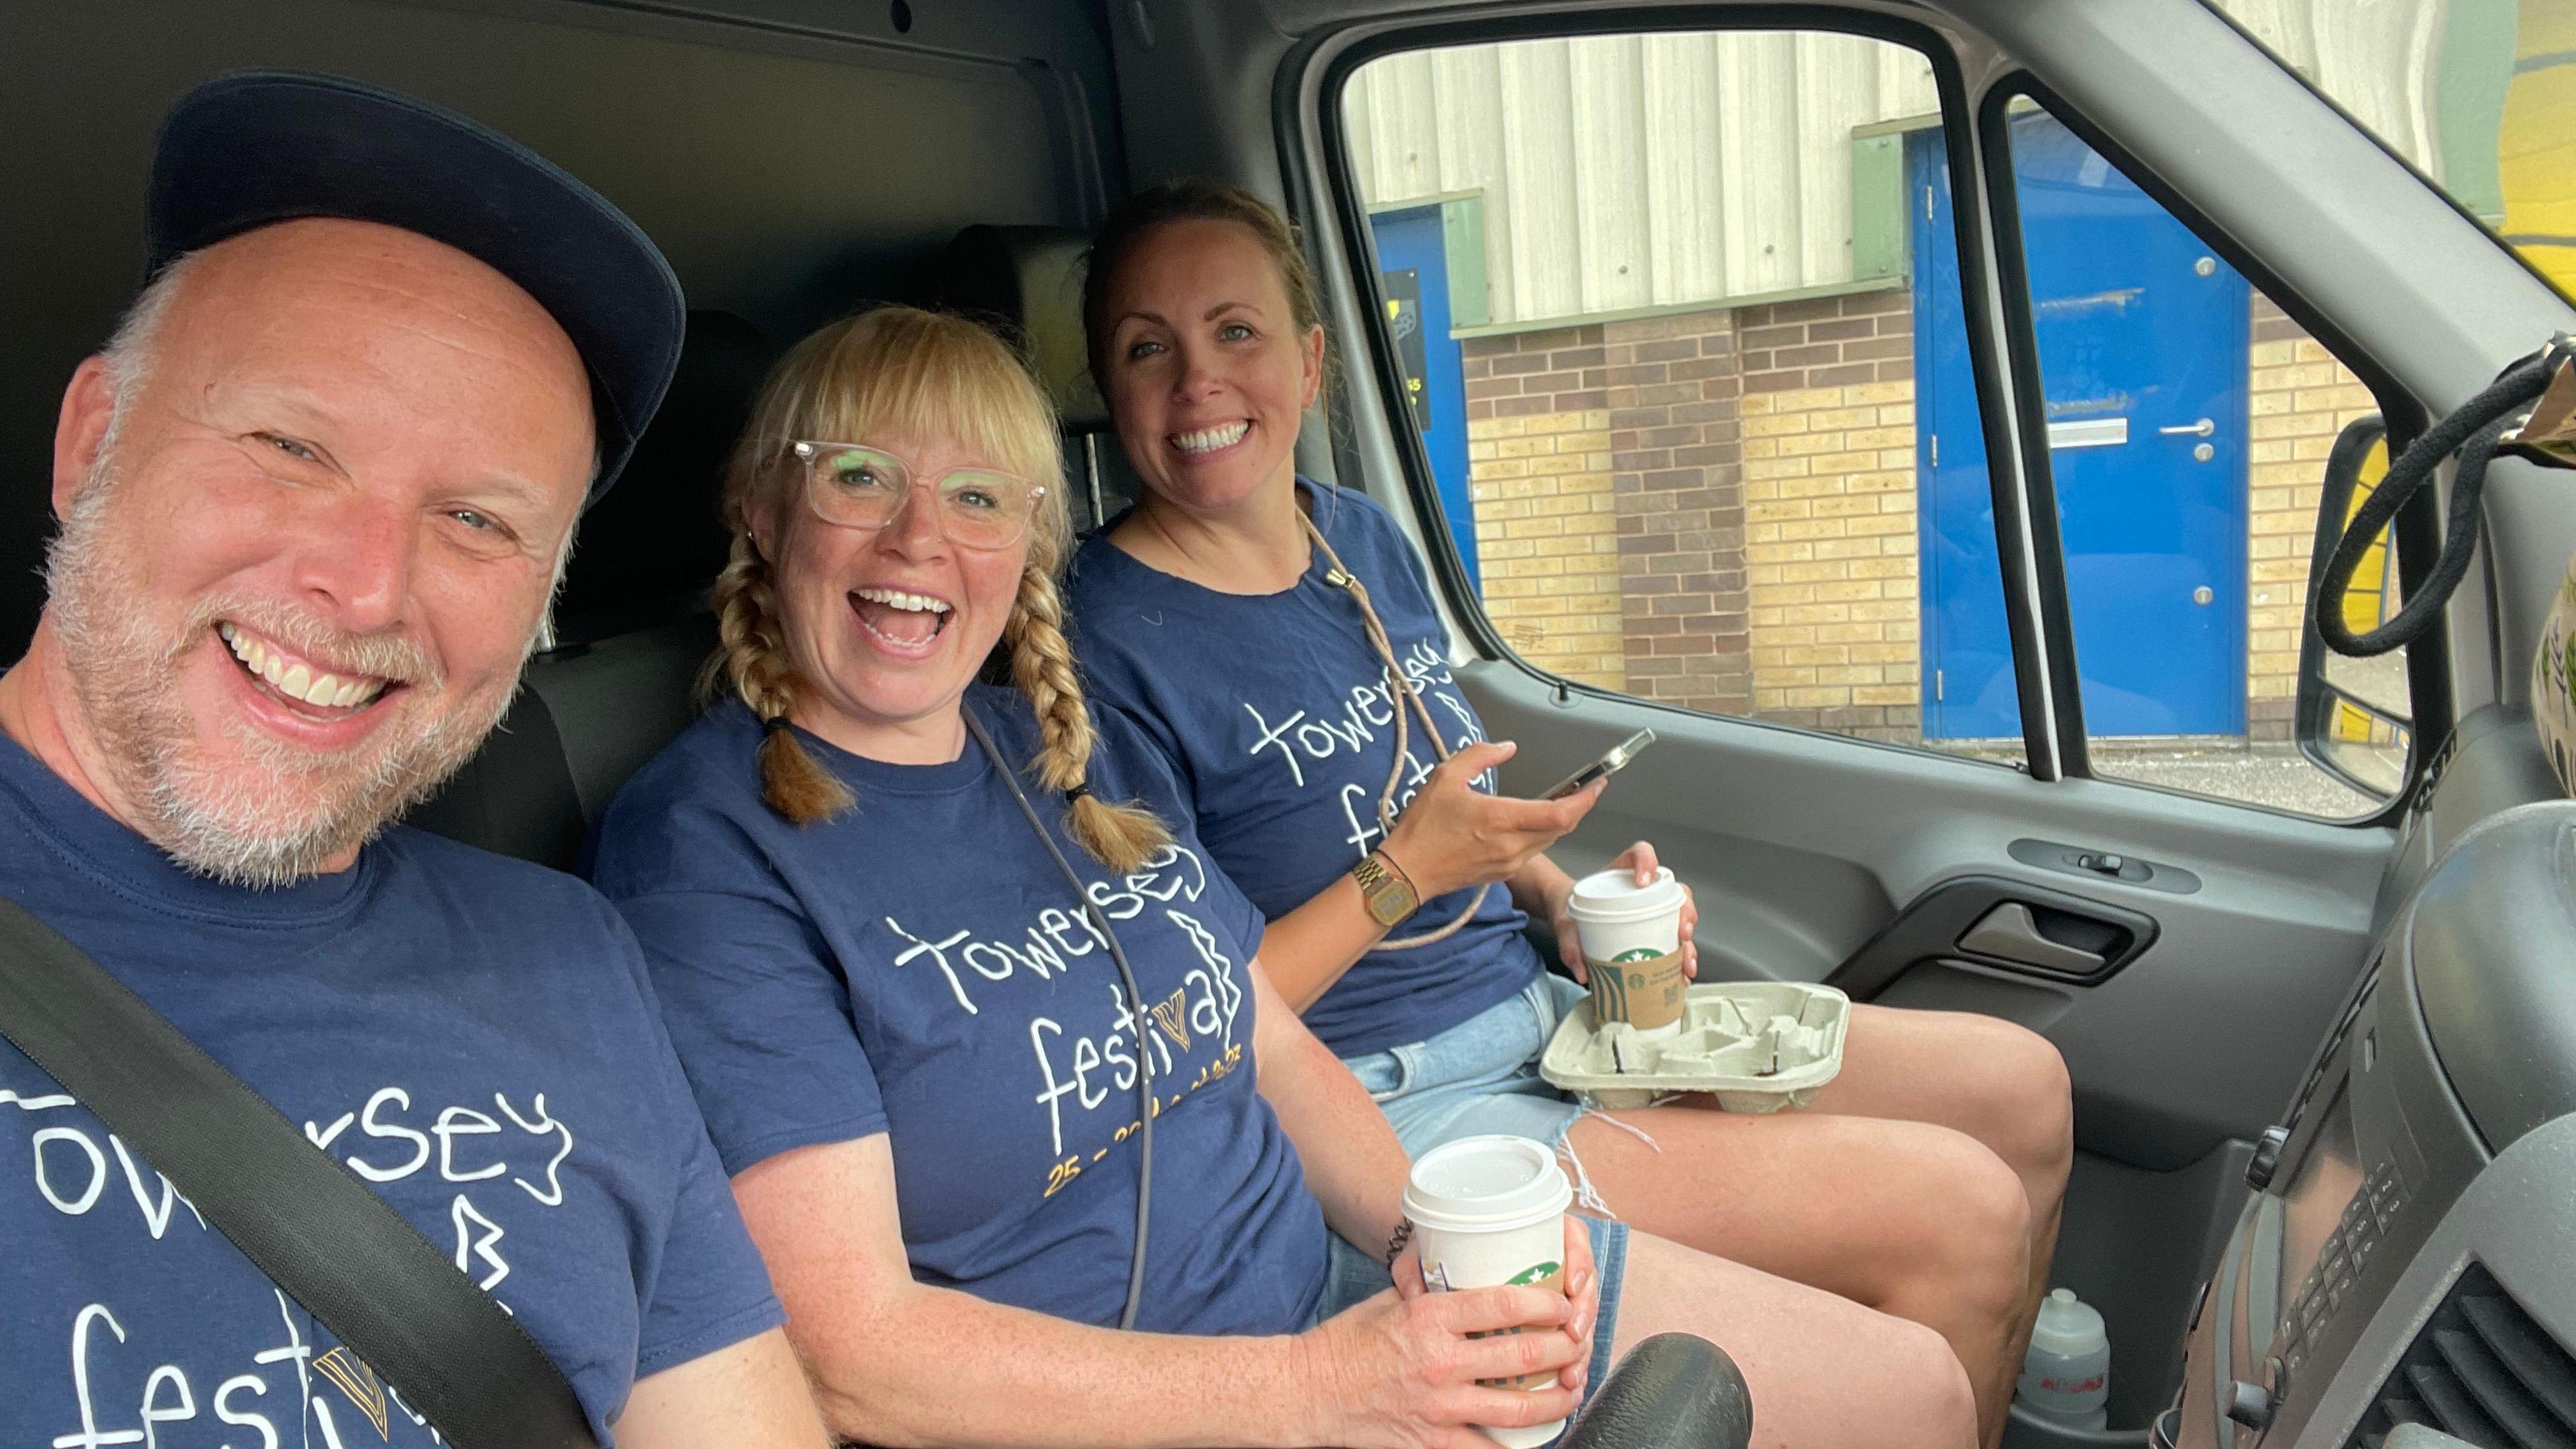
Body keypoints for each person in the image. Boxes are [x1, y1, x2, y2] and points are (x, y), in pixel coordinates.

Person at [587, 305, 1978, 1449]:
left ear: (1023, 546)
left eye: (975, 496)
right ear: (761, 509)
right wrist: (1319, 1394)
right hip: (1158, 1406)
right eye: (859, 479)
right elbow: (854, 1358)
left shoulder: (1067, 754)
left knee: (1913, 1391)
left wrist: (1421, 1241)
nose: (916, 542)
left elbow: (1263, 1039)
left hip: (1338, 1298)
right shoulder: (709, 851)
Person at [1064, 178, 2076, 1446]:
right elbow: (1200, 1016)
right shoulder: (1100, 643)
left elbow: (1454, 804)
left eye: (1237, 332)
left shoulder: (1358, 544)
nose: (1198, 380)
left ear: (1314, 362)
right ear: (1111, 389)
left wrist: (1562, 898)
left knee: (2023, 1088)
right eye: (1147, 348)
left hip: (1547, 1019)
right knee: (1960, 1215)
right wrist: (1404, 876)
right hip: (1389, 1099)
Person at [0, 72, 824, 1446]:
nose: (369, 588)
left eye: (480, 522)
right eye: (290, 446)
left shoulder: (571, 958)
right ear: (93, 443)